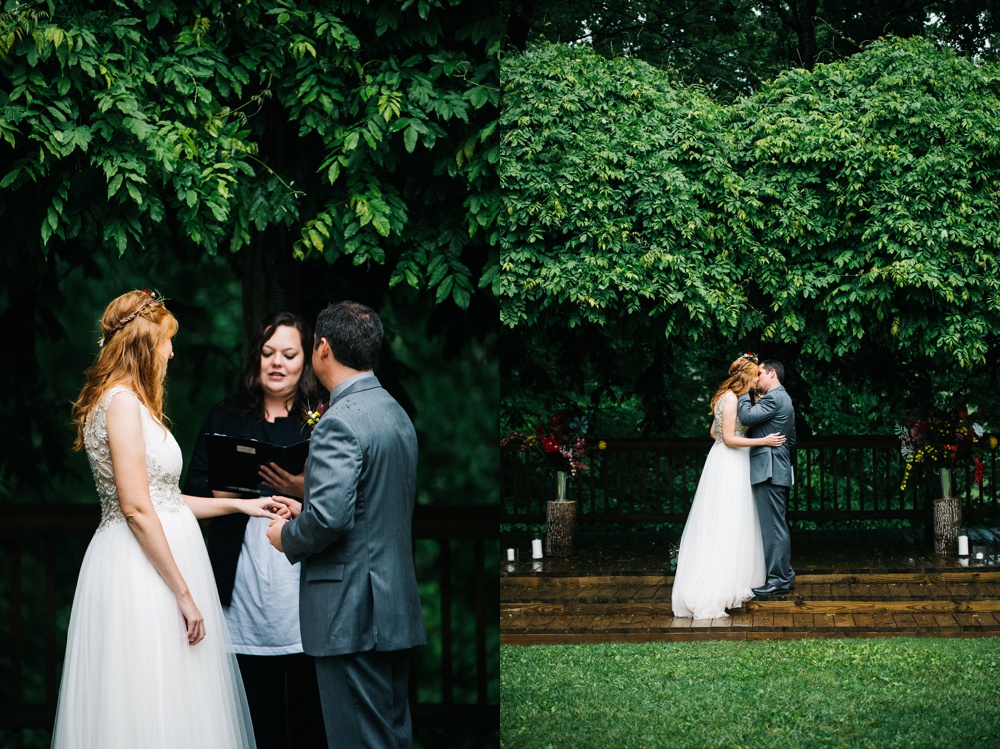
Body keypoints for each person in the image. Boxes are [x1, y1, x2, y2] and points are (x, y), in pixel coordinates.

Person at [52, 289, 292, 749]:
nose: (172, 350)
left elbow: (163, 499)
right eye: (167, 340)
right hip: (141, 571)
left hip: (158, 559)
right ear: (145, 343)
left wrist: (242, 505)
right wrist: (184, 593)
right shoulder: (121, 402)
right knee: (147, 695)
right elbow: (137, 508)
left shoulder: (131, 403)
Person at [265, 300, 426, 749]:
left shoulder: (339, 421)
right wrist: (309, 509)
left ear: (322, 348)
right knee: (389, 738)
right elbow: (370, 509)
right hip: (389, 608)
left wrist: (288, 536)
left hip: (350, 613)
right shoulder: (394, 413)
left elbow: (332, 520)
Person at [183, 312, 327, 749]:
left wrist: (302, 488)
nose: (276, 363)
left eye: (288, 354)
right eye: (267, 354)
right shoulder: (226, 414)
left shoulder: (323, 417)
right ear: (255, 358)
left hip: (304, 578)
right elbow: (190, 491)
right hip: (240, 580)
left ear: (307, 360)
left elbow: (346, 499)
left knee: (308, 717)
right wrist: (231, 492)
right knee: (252, 715)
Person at [671, 354, 787, 619]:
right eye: (756, 375)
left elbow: (714, 433)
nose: (759, 378)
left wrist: (733, 437)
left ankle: (729, 581)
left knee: (726, 519)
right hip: (732, 461)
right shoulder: (734, 399)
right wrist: (763, 441)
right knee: (730, 520)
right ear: (747, 377)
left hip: (721, 460)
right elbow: (729, 438)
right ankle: (721, 586)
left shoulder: (724, 397)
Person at [737, 358, 797, 596]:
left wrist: (743, 390)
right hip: (777, 468)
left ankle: (779, 580)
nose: (756, 379)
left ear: (772, 374)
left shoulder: (774, 397)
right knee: (777, 525)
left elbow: (746, 417)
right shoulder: (786, 398)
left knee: (773, 527)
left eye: (759, 374)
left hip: (769, 470)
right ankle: (785, 575)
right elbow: (792, 440)